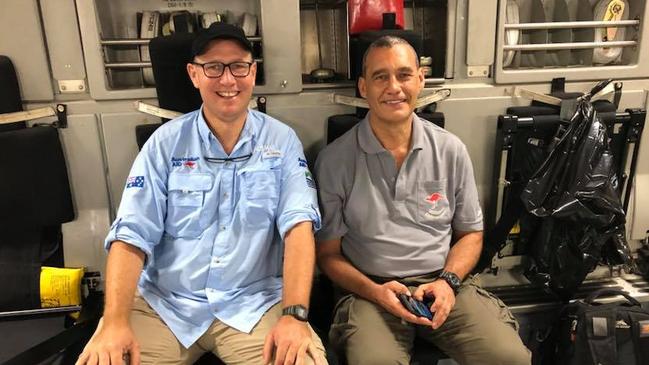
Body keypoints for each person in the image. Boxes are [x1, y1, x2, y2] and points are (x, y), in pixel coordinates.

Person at [77, 22, 326, 365]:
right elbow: (130, 235)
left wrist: (294, 316)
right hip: (165, 306)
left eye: (239, 66)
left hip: (252, 305)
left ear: (253, 72)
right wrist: (115, 322)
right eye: (213, 67)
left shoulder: (281, 143)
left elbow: (299, 228)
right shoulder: (164, 145)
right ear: (194, 74)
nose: (228, 80)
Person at [314, 36, 531, 365]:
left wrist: (447, 282)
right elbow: (328, 256)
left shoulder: (450, 150)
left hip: (443, 284)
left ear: (420, 80)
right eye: (380, 76)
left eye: (403, 74)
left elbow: (471, 235)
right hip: (370, 290)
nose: (393, 87)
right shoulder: (335, 160)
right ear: (363, 87)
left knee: (510, 358)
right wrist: (375, 292)